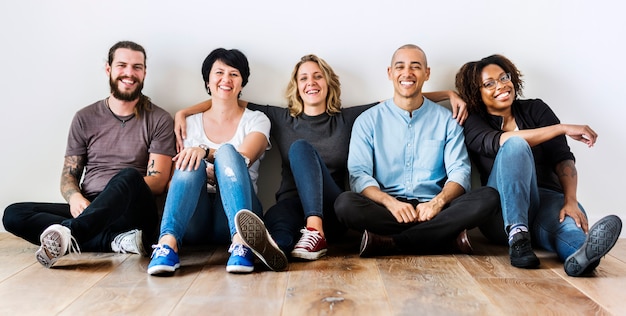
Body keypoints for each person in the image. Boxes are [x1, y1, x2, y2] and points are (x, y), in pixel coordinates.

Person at [175, 54, 468, 266]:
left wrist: (446, 94)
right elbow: (230, 98)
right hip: (290, 202)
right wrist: (184, 112)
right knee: (278, 226)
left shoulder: (349, 118)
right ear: (296, 86)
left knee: (301, 149)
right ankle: (275, 250)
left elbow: (402, 97)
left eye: (317, 76)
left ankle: (315, 231)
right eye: (304, 77)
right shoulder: (280, 117)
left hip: (331, 208)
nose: (311, 82)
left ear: (328, 83)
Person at [2, 41, 176, 268]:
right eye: (122, 65)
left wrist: (115, 194)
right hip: (90, 207)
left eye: (137, 67)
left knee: (128, 176)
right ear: (109, 69)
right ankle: (114, 242)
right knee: (14, 213)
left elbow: (159, 181)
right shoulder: (85, 117)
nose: (129, 73)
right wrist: (75, 197)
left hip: (132, 212)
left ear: (144, 72)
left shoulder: (159, 119)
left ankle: (71, 235)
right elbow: (68, 175)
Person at [455, 54, 622, 276]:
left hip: (544, 201)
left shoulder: (536, 109)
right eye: (489, 83)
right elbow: (500, 142)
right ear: (477, 93)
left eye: (504, 77)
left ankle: (581, 256)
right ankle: (518, 236)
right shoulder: (473, 122)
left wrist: (570, 200)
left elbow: (563, 159)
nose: (502, 85)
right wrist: (561, 128)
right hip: (500, 213)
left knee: (568, 226)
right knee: (515, 145)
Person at [333, 44, 500, 257]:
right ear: (390, 73)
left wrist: (437, 202)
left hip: (434, 210)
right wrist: (390, 203)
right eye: (400, 66)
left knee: (489, 196)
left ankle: (392, 243)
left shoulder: (447, 121)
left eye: (415, 66)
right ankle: (441, 239)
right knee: (345, 203)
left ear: (426, 73)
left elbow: (460, 172)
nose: (407, 73)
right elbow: (359, 175)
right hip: (386, 210)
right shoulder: (368, 121)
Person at [147, 48, 279, 275]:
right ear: (208, 80)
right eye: (219, 72)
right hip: (192, 218)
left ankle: (243, 243)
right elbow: (175, 182)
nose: (226, 79)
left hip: (237, 214)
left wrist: (204, 151)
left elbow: (244, 158)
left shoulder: (257, 120)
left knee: (227, 152)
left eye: (234, 74)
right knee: (191, 162)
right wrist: (198, 165)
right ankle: (167, 245)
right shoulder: (187, 123)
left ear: (242, 83)